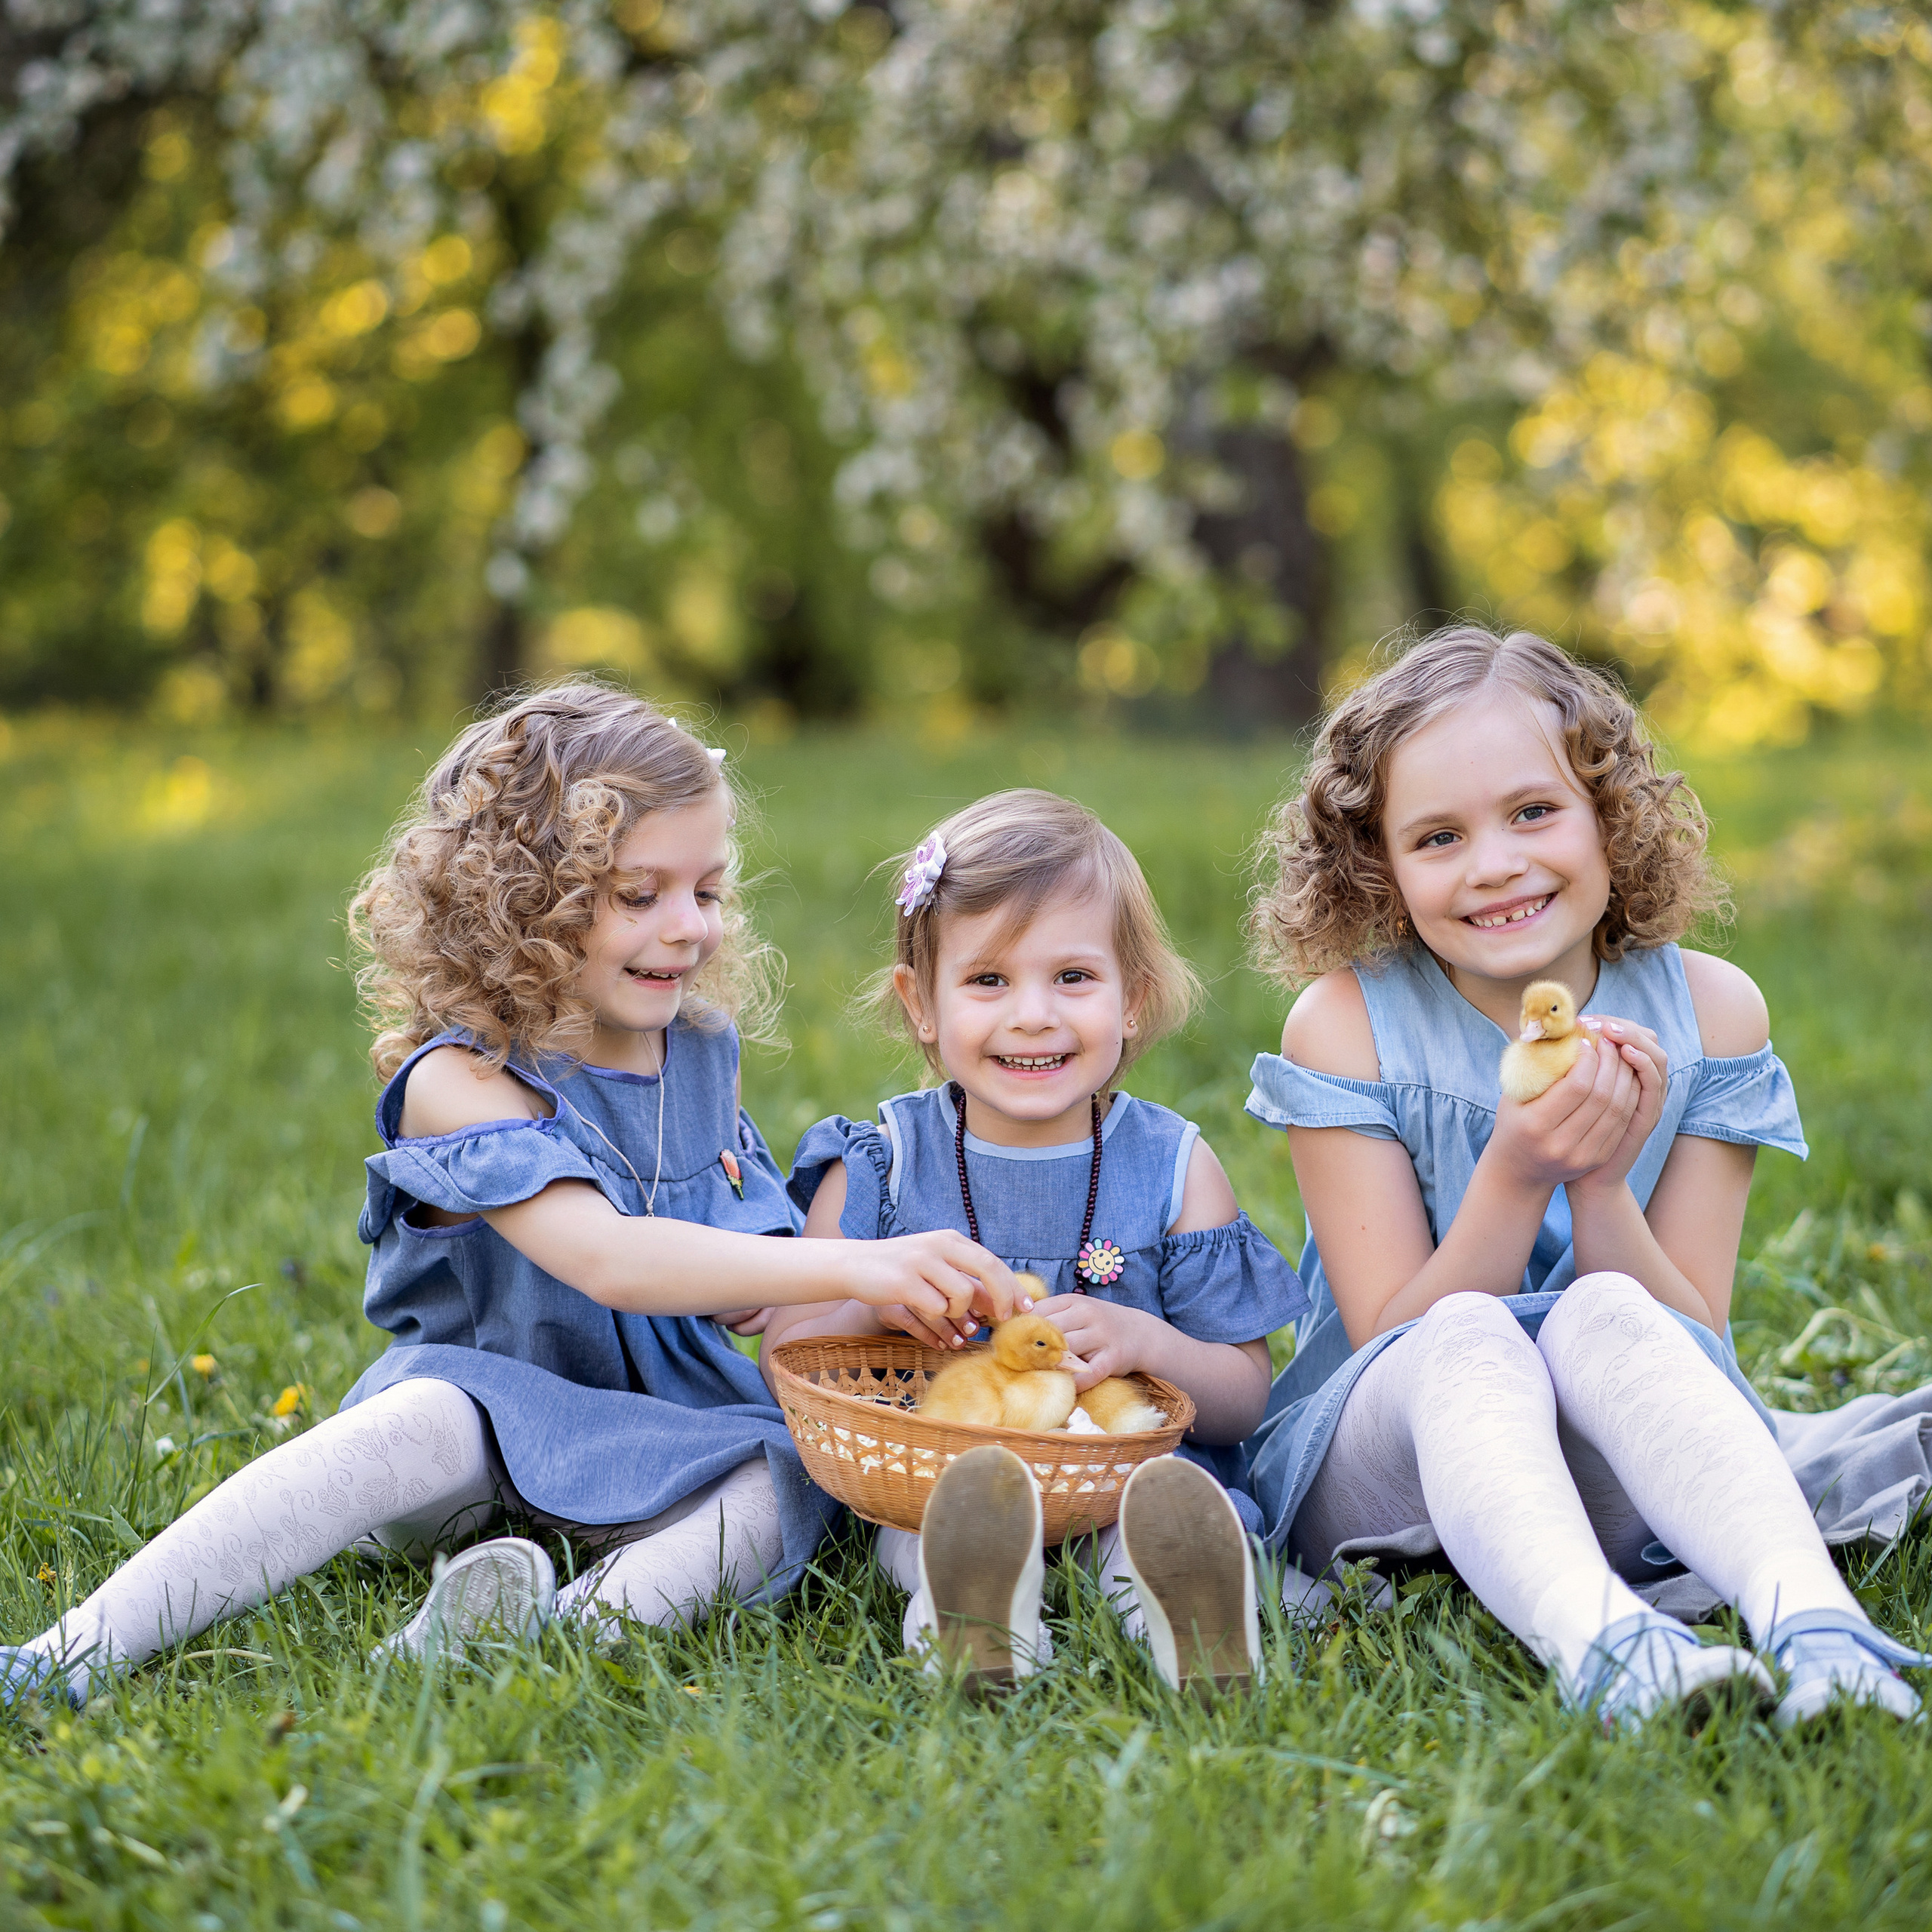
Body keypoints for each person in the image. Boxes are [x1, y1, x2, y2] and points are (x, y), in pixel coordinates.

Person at [2, 683, 1020, 1707]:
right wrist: (853, 1261)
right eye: (638, 896)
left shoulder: (700, 1052)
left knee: (779, 1477)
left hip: (656, 1431)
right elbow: (609, 1257)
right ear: (521, 904)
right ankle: (71, 1652)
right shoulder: (463, 1080)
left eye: (706, 892)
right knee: (419, 1418)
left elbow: (736, 1269)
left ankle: (542, 1638)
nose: (688, 929)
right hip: (475, 1441)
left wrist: (870, 1296)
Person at [1243, 623, 1931, 1729]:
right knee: (1470, 1338)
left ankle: (1821, 1633)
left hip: (1625, 1457)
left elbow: (1689, 1333)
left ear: (1610, 816)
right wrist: (1518, 1173)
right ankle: (1610, 1652)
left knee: (1608, 1309)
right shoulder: (1347, 1025)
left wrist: (1601, 1185)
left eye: (1533, 812)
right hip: (1393, 1466)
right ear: (1378, 865)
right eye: (1437, 837)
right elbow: (1390, 1337)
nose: (1496, 864)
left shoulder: (1712, 1012)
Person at [766, 791, 1306, 1692]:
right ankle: (971, 1613)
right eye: (988, 980)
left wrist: (1146, 1343)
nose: (1032, 1015)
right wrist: (874, 1298)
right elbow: (785, 1359)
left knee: (1152, 1522)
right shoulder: (879, 1161)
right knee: (927, 1528)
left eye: (1072, 978)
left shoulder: (1172, 1165)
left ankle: (1193, 1626)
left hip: (1116, 1474)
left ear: (1132, 1000)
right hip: (930, 1479)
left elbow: (1245, 1396)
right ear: (921, 1004)